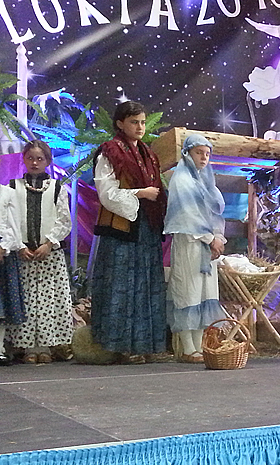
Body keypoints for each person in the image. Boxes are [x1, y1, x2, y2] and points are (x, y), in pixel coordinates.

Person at [91, 101, 168, 362]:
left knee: (146, 285)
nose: (140, 127)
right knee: (121, 286)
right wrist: (141, 193)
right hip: (122, 228)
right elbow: (107, 193)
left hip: (146, 228)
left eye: (143, 122)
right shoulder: (109, 152)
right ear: (120, 123)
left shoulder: (149, 154)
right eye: (134, 122)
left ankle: (144, 345)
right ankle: (120, 346)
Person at [0, 140, 73, 364]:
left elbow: (64, 220)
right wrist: (19, 246)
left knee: (48, 301)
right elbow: (8, 220)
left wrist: (49, 243)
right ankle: (27, 348)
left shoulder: (57, 188)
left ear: (48, 161)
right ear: (23, 159)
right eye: (30, 158)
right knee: (26, 300)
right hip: (22, 254)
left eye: (40, 159)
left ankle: (45, 347)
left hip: (48, 255)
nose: (34, 163)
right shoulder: (13, 187)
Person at [164, 134, 227, 363]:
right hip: (190, 244)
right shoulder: (182, 180)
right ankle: (187, 348)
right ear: (188, 153)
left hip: (207, 249)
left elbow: (214, 213)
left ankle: (199, 346)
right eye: (199, 152)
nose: (204, 158)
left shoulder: (205, 181)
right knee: (188, 293)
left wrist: (217, 238)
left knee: (204, 294)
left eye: (207, 154)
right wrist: (210, 239)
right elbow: (188, 215)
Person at [0, 168, 29, 366]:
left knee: (1, 305)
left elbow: (13, 226)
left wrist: (4, 247)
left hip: (3, 254)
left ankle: (0, 349)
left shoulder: (7, 193)